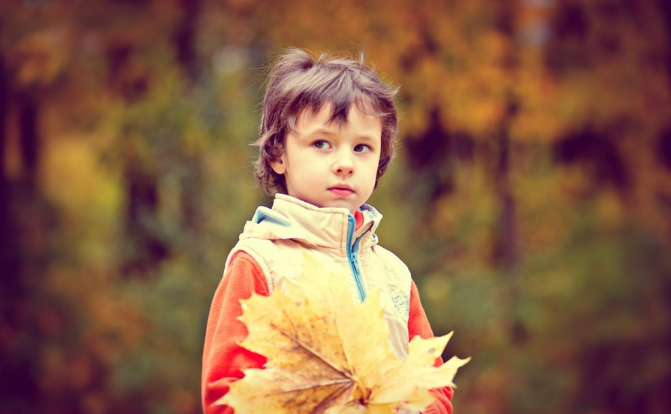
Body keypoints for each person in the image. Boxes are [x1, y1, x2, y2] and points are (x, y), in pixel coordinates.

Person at [201, 48, 454, 414]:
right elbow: (227, 394)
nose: (345, 164)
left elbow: (434, 385)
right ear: (278, 155)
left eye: (362, 147)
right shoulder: (261, 263)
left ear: (380, 159)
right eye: (322, 143)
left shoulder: (394, 275)